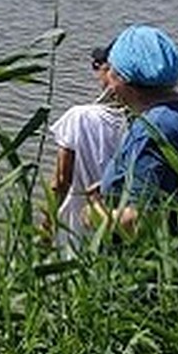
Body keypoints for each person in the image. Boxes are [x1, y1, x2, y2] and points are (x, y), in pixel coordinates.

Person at [89, 24, 178, 237]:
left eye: (111, 68)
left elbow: (139, 223)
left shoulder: (152, 129)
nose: (107, 75)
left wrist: (93, 211)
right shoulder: (173, 114)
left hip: (153, 263)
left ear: (123, 79)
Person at [44, 42, 126, 248]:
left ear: (112, 72)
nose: (96, 72)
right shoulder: (147, 121)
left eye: (98, 65)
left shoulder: (79, 116)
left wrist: (45, 228)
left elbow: (61, 181)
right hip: (125, 226)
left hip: (79, 227)